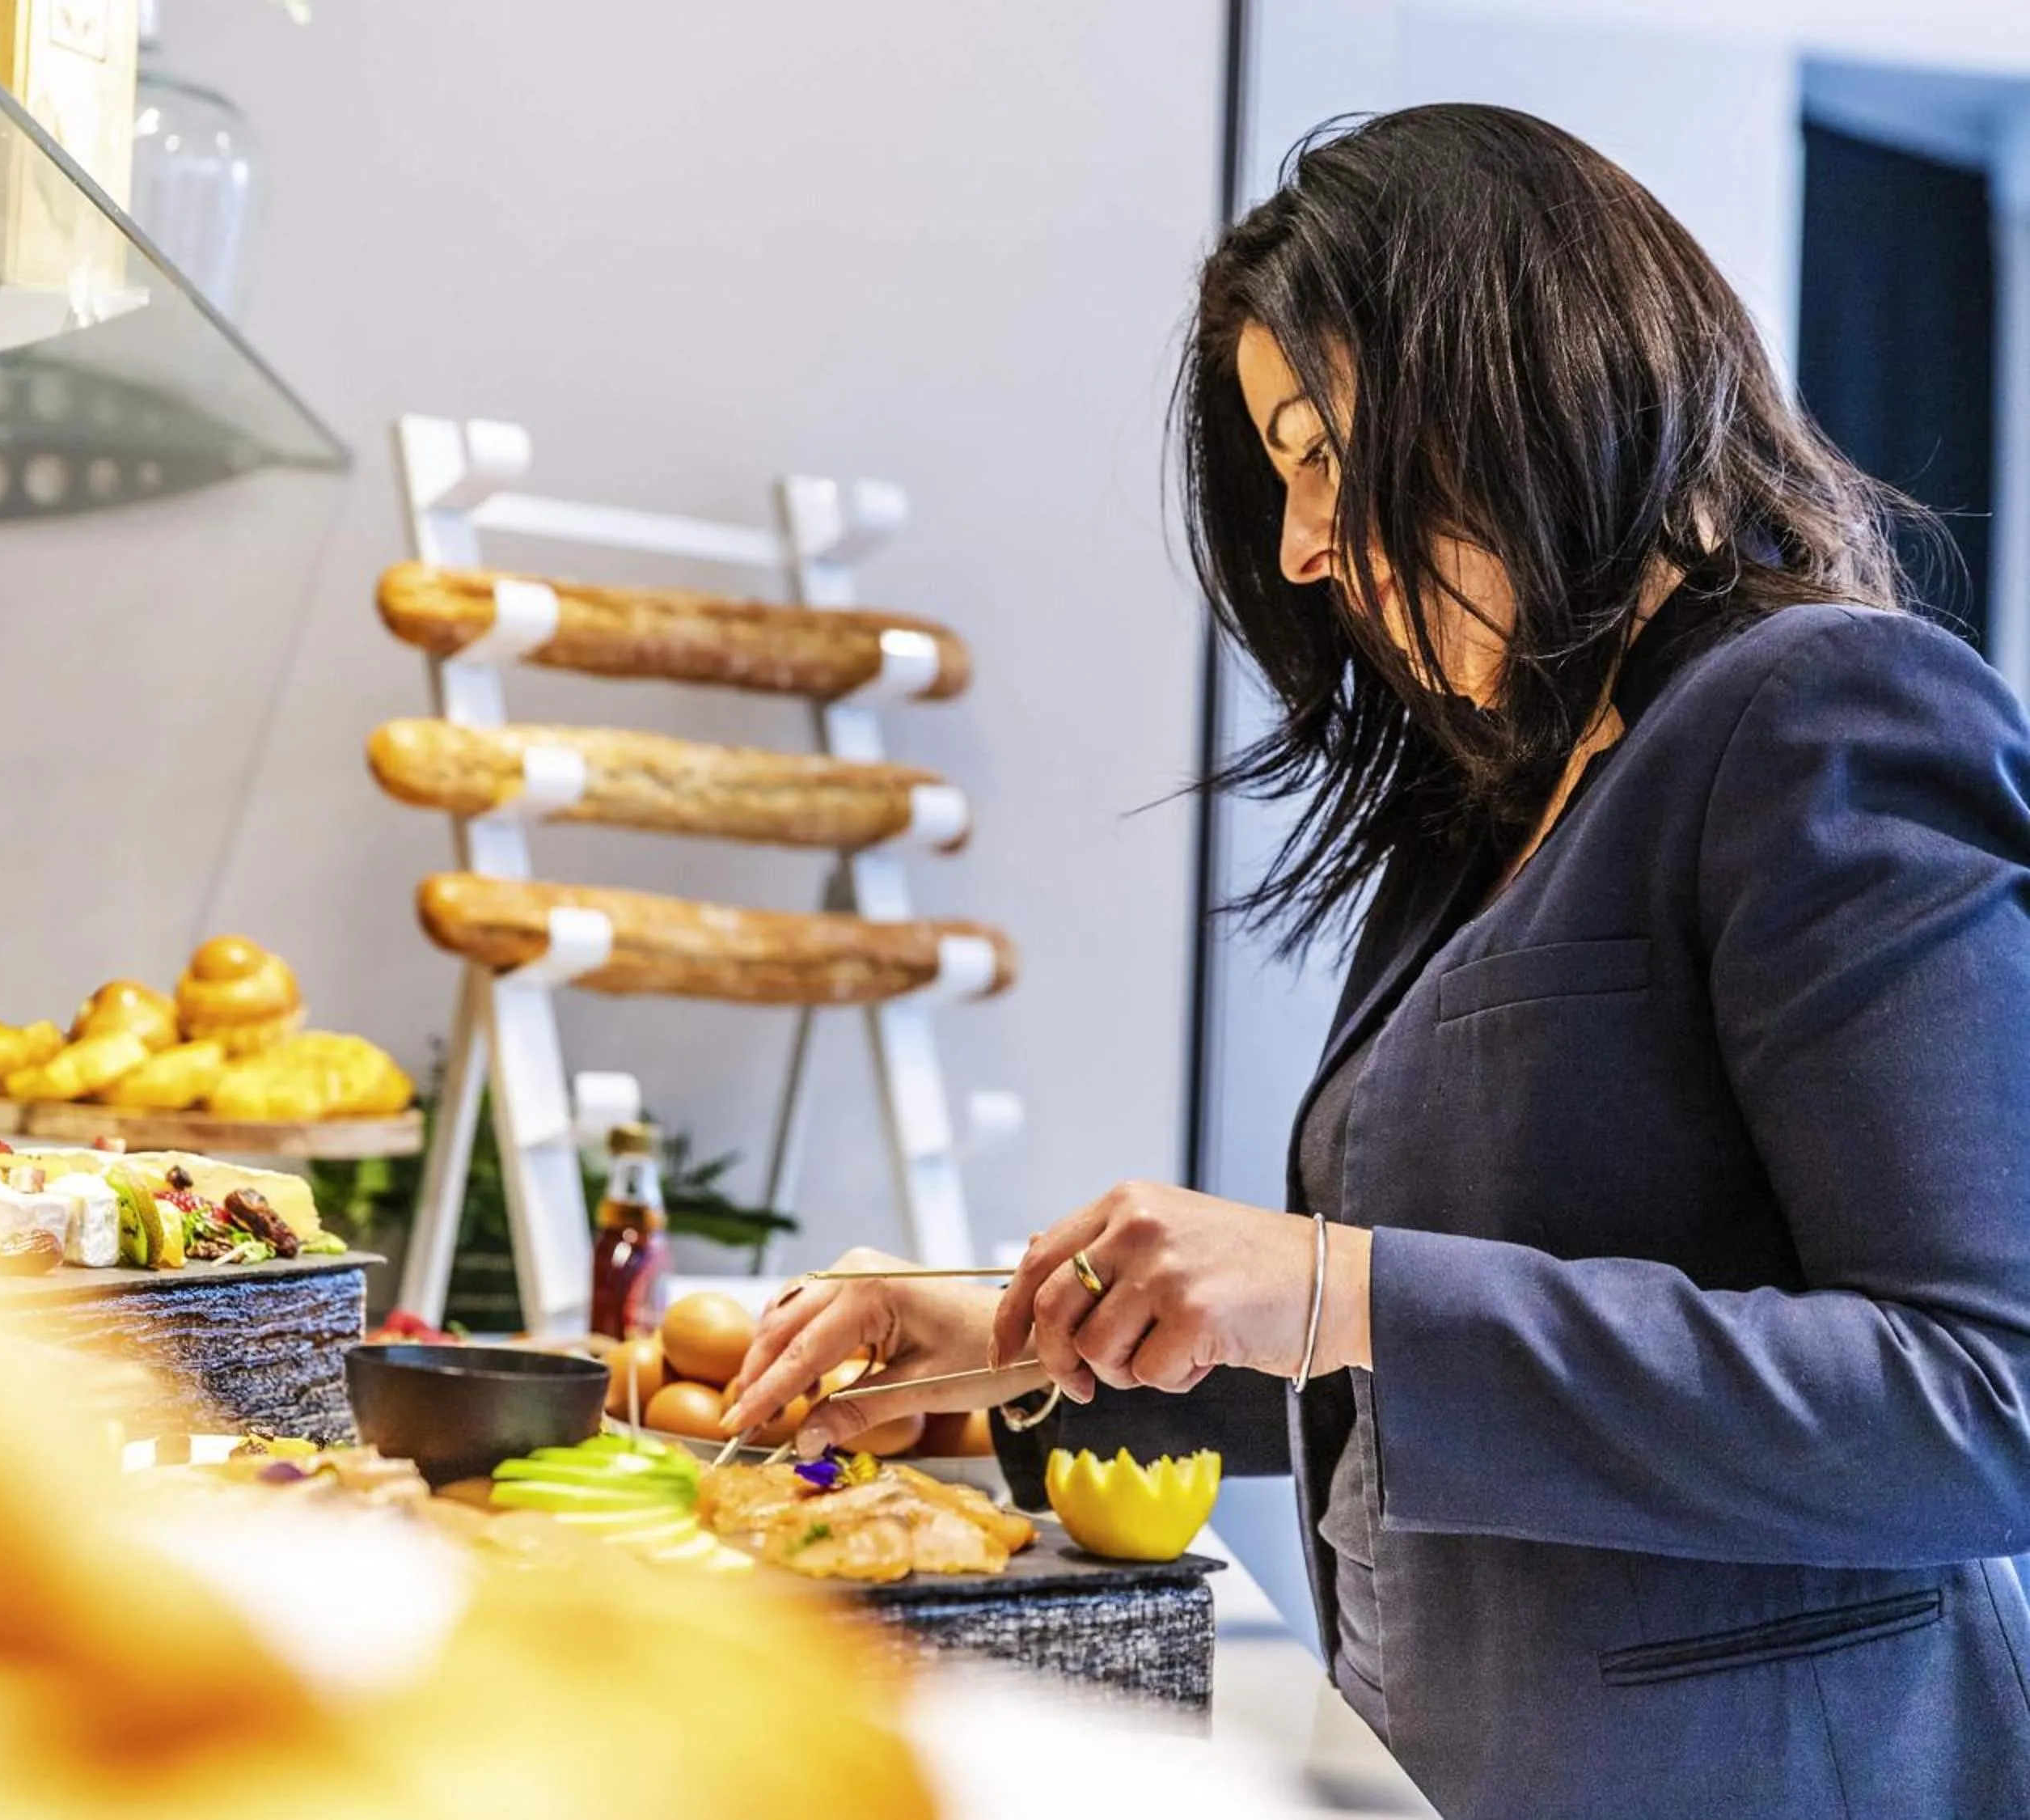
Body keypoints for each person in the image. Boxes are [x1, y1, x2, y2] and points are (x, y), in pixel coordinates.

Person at [725, 104, 2030, 1818]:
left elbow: (1979, 1400)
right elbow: (1431, 1361)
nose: (1300, 546)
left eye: (1317, 451)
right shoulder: (1489, 799)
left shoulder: (1825, 708)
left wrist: (1332, 1279)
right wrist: (1019, 1344)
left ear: (1509, 370)